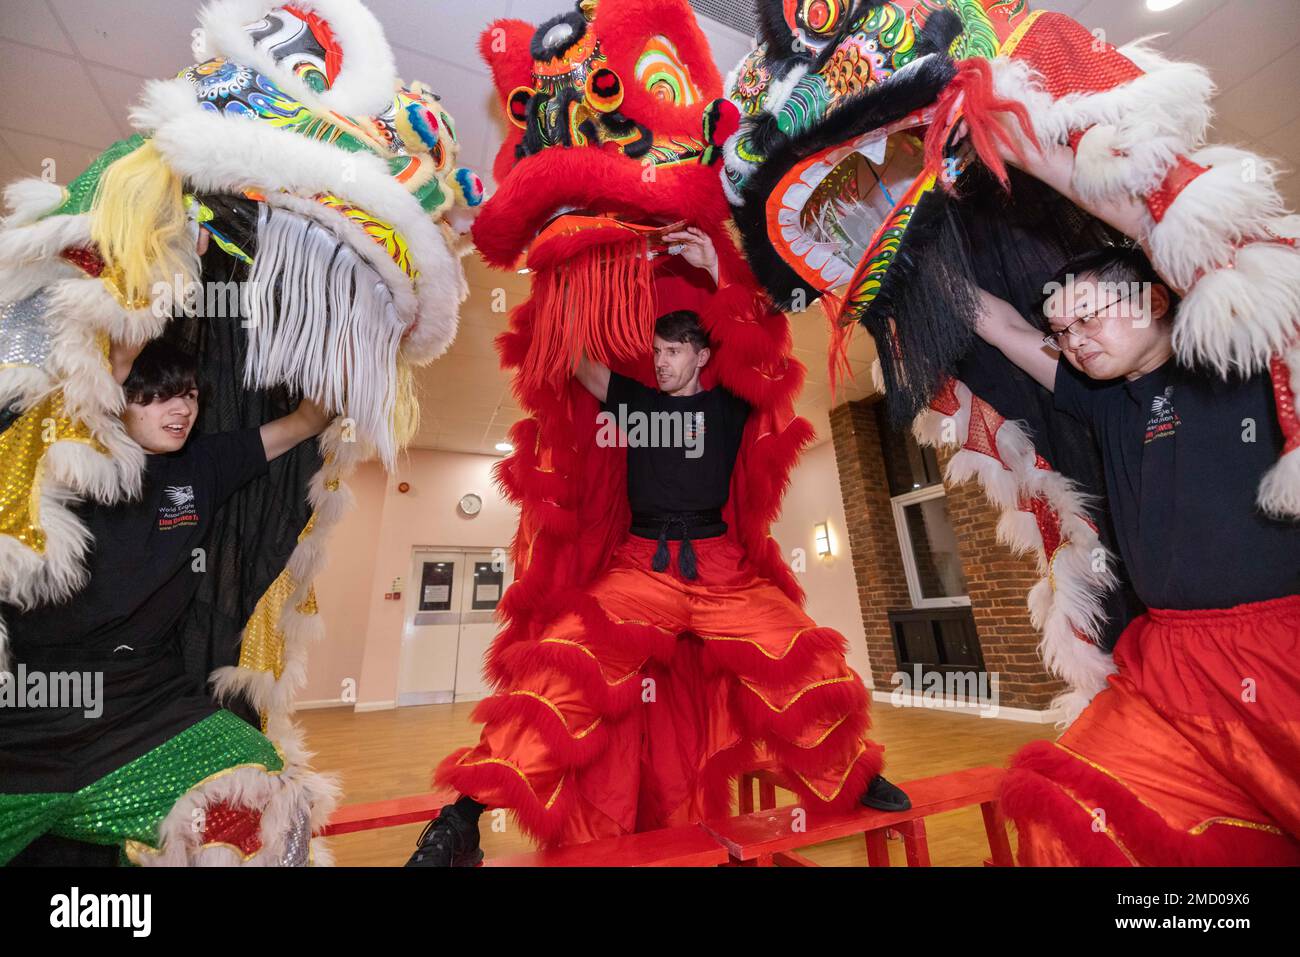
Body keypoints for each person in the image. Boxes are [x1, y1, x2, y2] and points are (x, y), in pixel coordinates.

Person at [408, 229, 908, 867]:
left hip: (724, 569)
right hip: (642, 571)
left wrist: (718, 270)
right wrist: (569, 282)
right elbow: (581, 362)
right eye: (657, 350)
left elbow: (759, 346)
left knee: (802, 657)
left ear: (701, 356)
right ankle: (463, 818)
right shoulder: (637, 402)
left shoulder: (730, 405)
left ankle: (858, 778)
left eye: (673, 351)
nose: (661, 360)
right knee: (562, 665)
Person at [974, 233, 1300, 863]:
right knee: (1068, 807)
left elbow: (1201, 243)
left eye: (1087, 318)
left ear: (1153, 299)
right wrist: (890, 239)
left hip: (1278, 651)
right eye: (1062, 330)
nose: (1072, 341)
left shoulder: (1238, 359)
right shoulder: (1104, 400)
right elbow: (1002, 327)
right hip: (1168, 661)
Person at [0, 338, 331, 865]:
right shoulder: (55, 457)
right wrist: (116, 356)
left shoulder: (201, 465)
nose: (180, 409)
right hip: (23, 714)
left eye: (190, 395)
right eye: (153, 397)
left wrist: (342, 349)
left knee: (271, 790)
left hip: (144, 704)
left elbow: (303, 423)